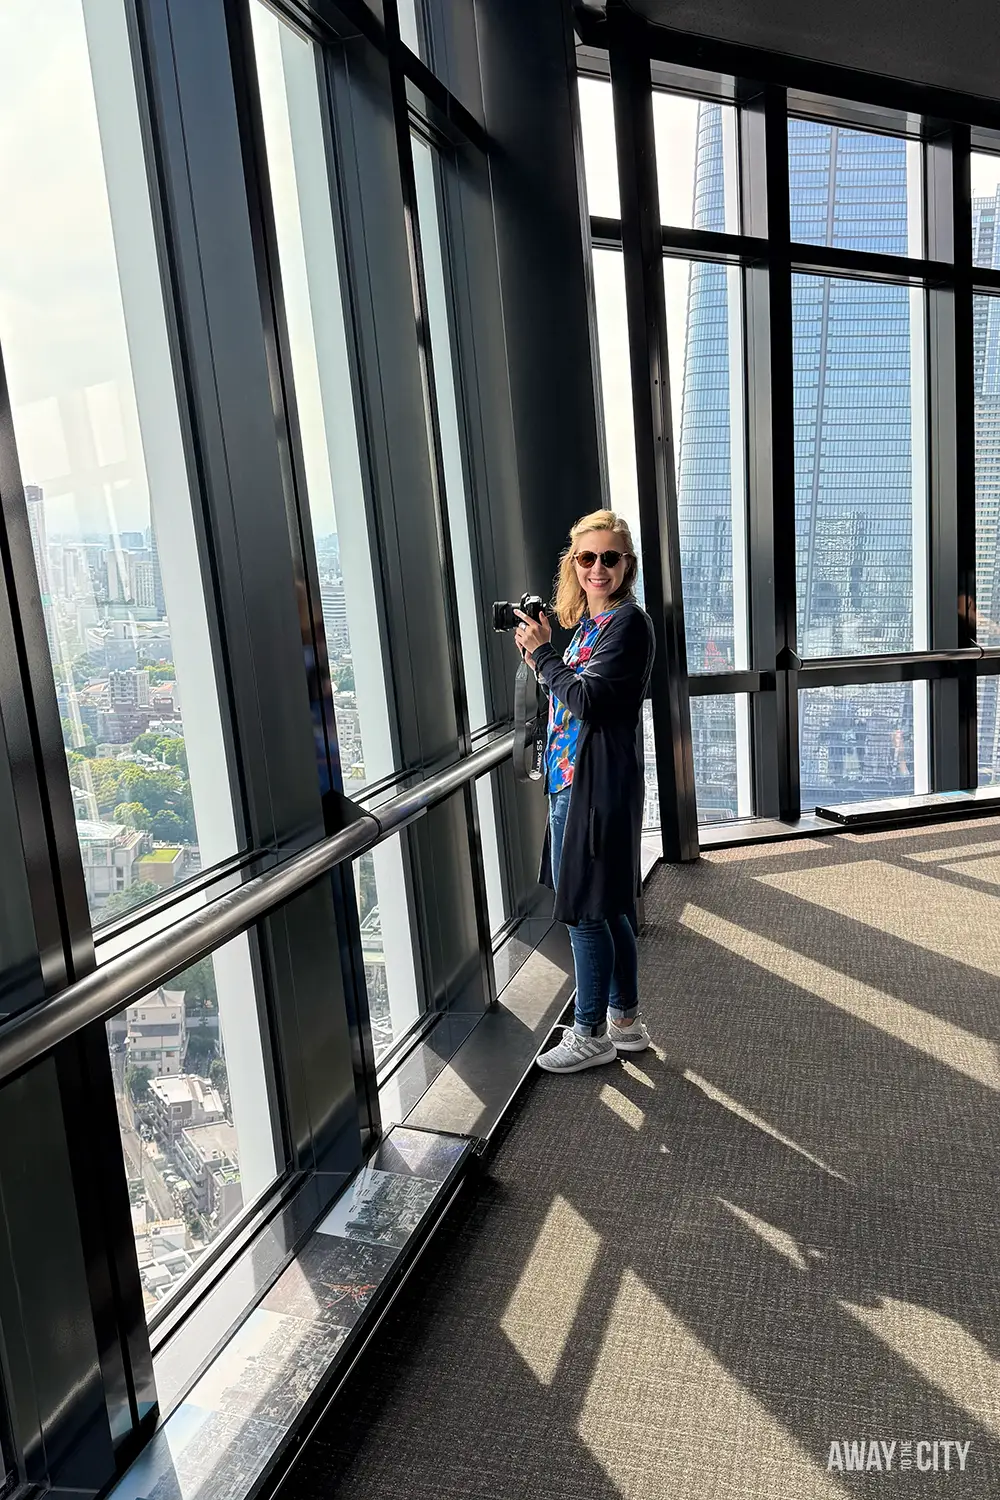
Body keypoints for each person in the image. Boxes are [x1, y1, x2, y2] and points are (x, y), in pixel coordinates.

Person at [514, 508, 655, 1074]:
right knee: (610, 903)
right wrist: (544, 654)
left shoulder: (629, 624)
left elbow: (589, 702)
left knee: (585, 912)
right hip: (572, 778)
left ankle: (590, 1031)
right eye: (586, 558)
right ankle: (625, 1021)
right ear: (573, 565)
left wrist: (547, 656)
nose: (598, 568)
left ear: (628, 565)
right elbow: (567, 696)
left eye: (610, 558)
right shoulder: (592, 628)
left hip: (593, 787)